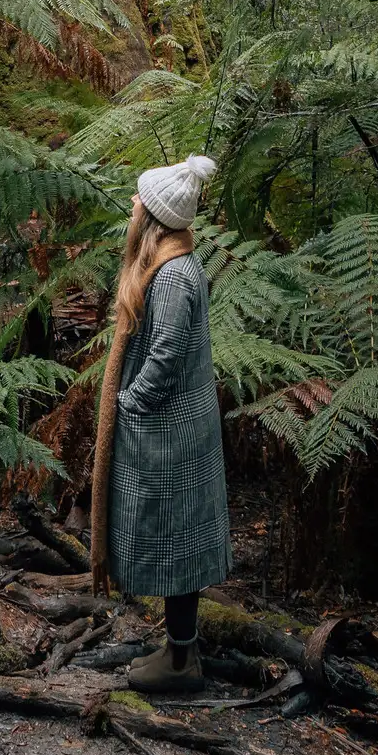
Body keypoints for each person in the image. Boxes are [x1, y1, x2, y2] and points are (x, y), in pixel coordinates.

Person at [88, 154, 228, 694]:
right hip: (178, 432)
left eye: (138, 200)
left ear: (153, 217)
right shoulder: (177, 264)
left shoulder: (170, 275)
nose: (131, 205)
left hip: (169, 436)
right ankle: (178, 648)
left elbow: (166, 355)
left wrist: (129, 401)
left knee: (175, 543)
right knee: (178, 542)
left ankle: (180, 662)